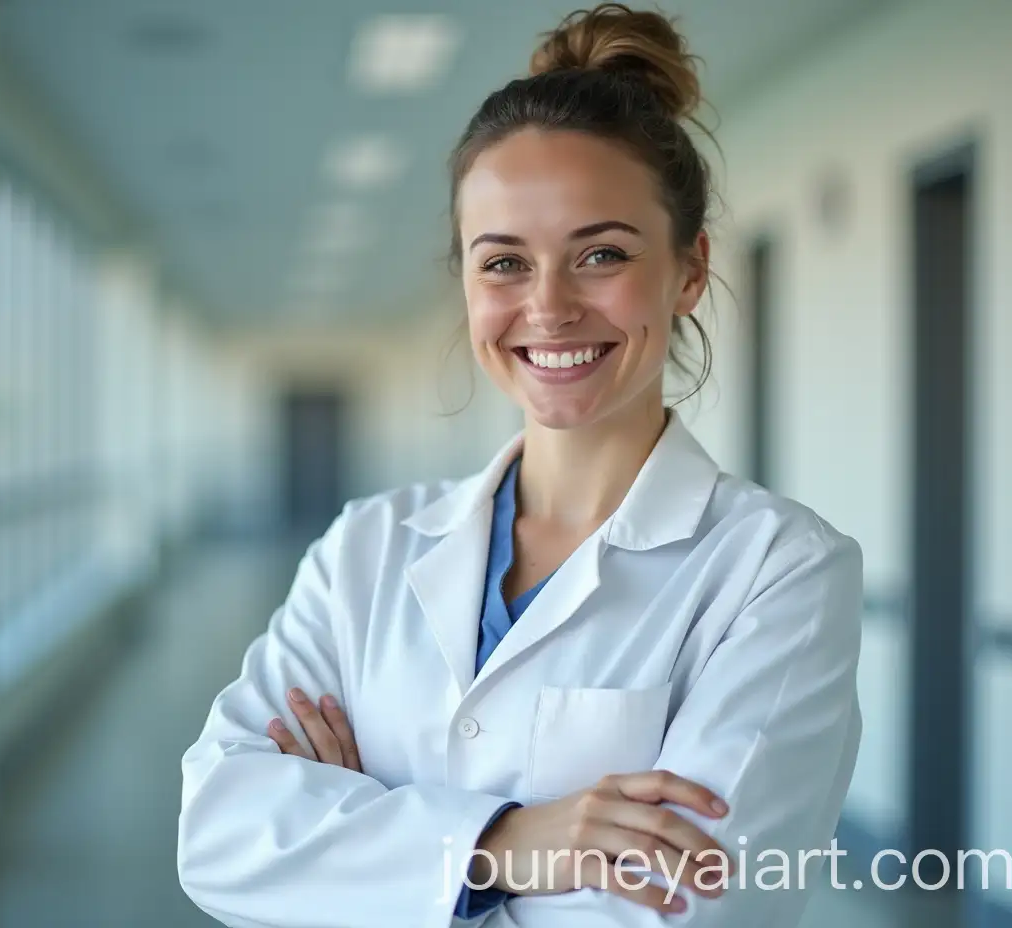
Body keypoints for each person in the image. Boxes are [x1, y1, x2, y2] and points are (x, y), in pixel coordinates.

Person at [176, 3, 863, 926]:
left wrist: (366, 844)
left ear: (689, 269)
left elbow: (685, 906)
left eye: (603, 254)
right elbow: (221, 833)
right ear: (463, 278)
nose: (548, 307)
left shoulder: (778, 573)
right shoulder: (365, 551)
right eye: (504, 263)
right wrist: (511, 844)